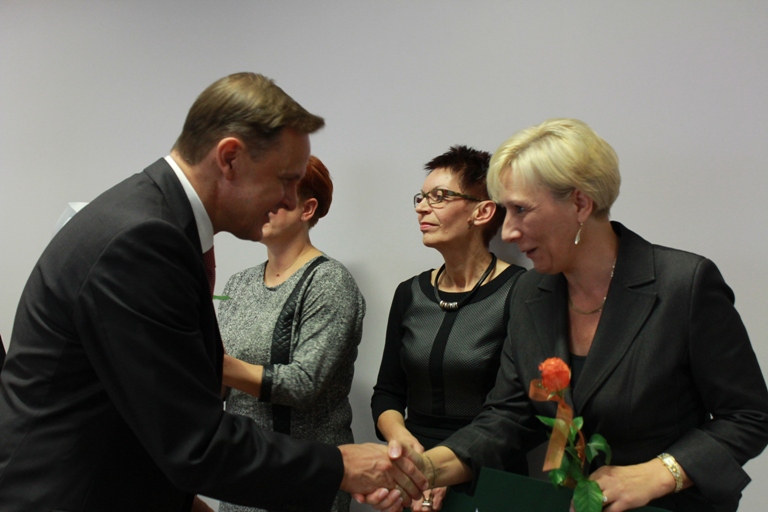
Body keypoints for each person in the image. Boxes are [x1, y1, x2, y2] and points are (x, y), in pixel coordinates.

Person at [0, 72, 425, 512]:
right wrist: (339, 465)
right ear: (230, 158)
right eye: (284, 179)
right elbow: (191, 440)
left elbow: (156, 412)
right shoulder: (143, 240)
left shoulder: (154, 221)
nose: (287, 200)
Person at [362, 119, 768, 512]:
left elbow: (748, 416)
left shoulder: (683, 284)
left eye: (521, 210)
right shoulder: (530, 293)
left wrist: (660, 473)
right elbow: (509, 417)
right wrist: (424, 471)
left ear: (579, 203)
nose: (508, 232)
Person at [370, 145, 527, 510]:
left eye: (439, 197)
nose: (421, 208)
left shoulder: (521, 291)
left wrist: (444, 469)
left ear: (482, 211)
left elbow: (520, 410)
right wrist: (402, 444)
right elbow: (387, 393)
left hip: (489, 470)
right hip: (411, 469)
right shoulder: (410, 292)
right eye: (421, 197)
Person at [217, 155, 365, 512]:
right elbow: (219, 386)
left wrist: (213, 362)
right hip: (243, 471)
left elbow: (303, 384)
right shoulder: (238, 284)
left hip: (304, 476)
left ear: (307, 208)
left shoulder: (329, 282)